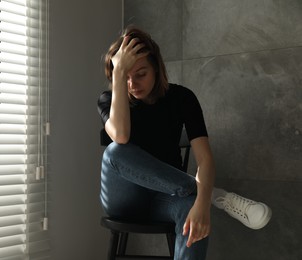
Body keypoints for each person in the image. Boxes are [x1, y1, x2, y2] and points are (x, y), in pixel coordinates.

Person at [97, 27, 272, 259]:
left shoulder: (182, 98)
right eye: (125, 76)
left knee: (191, 208)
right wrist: (118, 71)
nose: (133, 84)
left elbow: (205, 158)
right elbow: (120, 135)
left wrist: (200, 205)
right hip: (125, 201)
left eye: (141, 73)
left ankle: (202, 195)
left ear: (157, 70)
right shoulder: (108, 100)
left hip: (167, 199)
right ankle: (212, 194)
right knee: (115, 151)